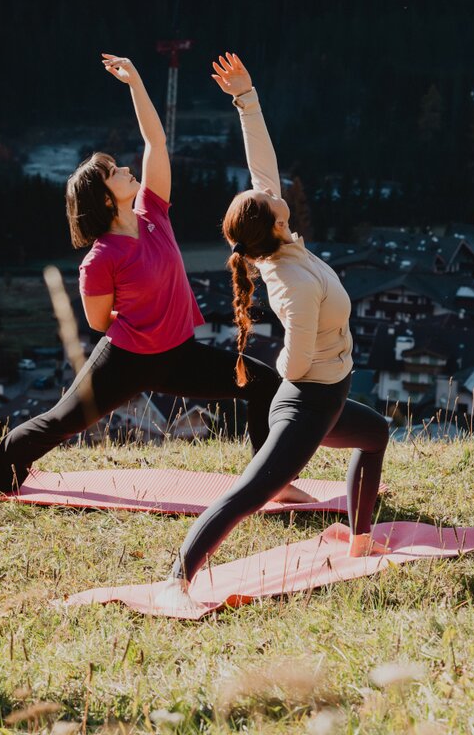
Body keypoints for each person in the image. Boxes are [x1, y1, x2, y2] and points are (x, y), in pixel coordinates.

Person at [0, 55, 308, 502]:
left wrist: (136, 83)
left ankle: (272, 482)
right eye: (114, 173)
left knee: (262, 384)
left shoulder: (153, 213)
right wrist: (141, 340)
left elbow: (156, 143)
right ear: (105, 200)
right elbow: (100, 322)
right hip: (125, 360)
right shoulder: (100, 258)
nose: (126, 170)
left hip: (179, 353)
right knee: (61, 422)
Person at [155, 52, 389, 609]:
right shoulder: (289, 280)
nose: (274, 190)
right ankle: (176, 579)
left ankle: (360, 543)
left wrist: (247, 99)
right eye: (271, 199)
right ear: (273, 221)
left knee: (375, 434)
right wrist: (290, 377)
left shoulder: (280, 240)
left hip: (327, 397)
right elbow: (296, 362)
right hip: (307, 404)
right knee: (250, 493)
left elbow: (263, 166)